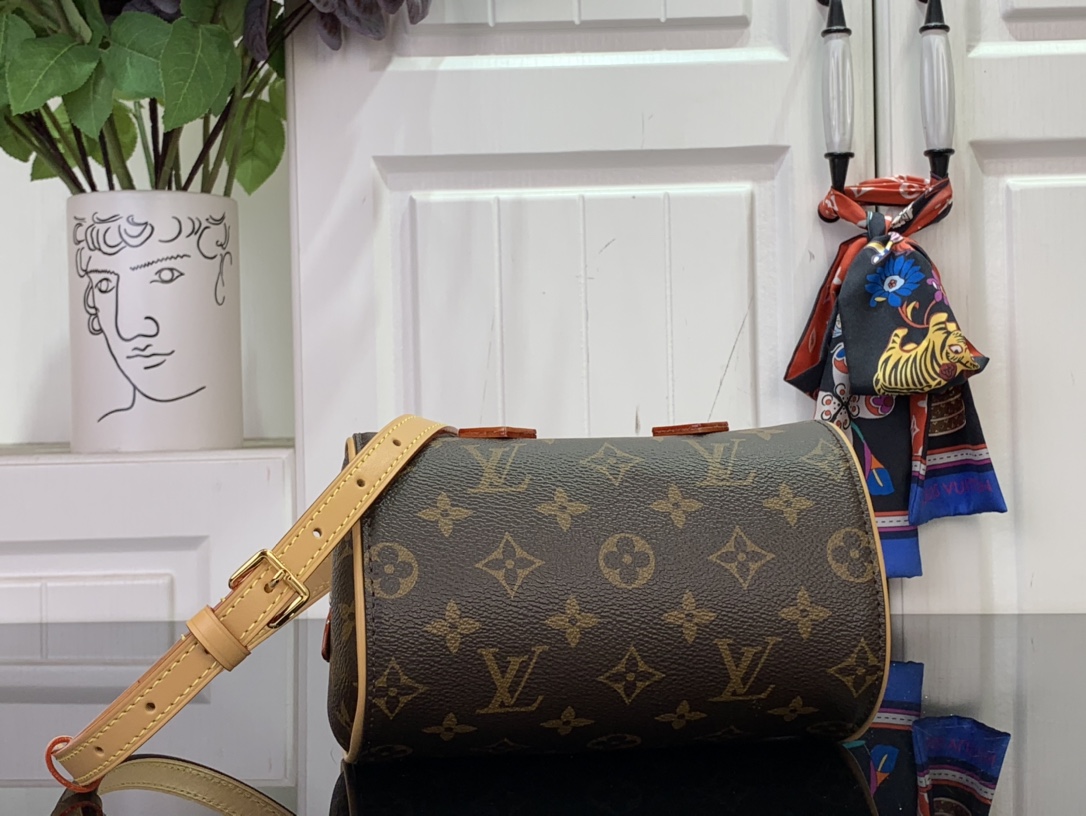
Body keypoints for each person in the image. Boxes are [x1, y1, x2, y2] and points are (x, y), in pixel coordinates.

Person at [71, 210, 234, 423]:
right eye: (104, 285)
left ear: (223, 275)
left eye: (165, 275)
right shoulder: (100, 430)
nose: (128, 330)